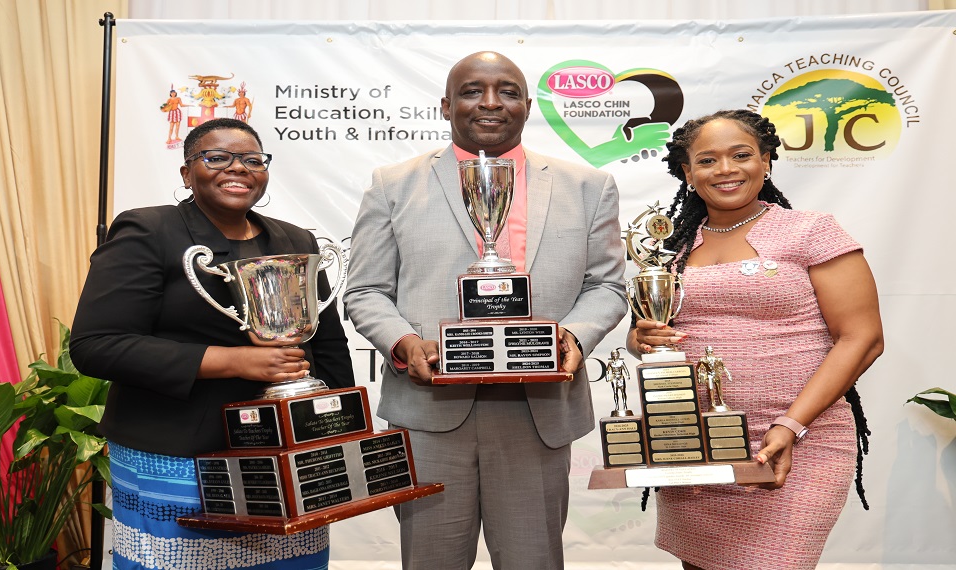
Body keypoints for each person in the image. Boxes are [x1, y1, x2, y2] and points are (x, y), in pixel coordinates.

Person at [344, 51, 628, 570]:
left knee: (532, 560)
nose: (491, 103)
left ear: (527, 104)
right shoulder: (394, 184)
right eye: (473, 91)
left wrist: (576, 337)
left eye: (509, 91)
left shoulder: (588, 187)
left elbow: (607, 286)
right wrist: (405, 344)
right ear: (447, 105)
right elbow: (364, 290)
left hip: (536, 407)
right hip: (429, 412)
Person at [70, 118, 354, 570]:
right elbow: (96, 345)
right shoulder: (149, 231)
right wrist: (233, 361)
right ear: (187, 173)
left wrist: (337, 434)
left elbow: (330, 345)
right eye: (216, 157)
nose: (236, 168)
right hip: (179, 454)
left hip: (284, 455)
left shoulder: (294, 240)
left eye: (252, 159)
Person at [627, 109, 884, 570]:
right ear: (687, 173)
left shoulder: (811, 231)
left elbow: (861, 338)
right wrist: (643, 337)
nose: (725, 170)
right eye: (707, 161)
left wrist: (790, 425)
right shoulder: (672, 248)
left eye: (741, 155)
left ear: (766, 160)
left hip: (798, 440)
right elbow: (648, 332)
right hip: (697, 442)